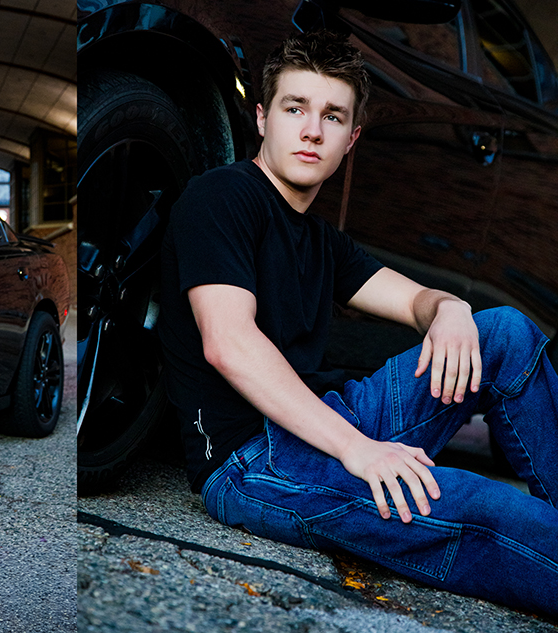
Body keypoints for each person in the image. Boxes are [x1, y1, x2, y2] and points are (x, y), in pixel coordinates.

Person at [159, 30, 558, 616]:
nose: (313, 130)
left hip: (329, 421)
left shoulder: (325, 242)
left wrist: (449, 309)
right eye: (296, 109)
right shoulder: (220, 198)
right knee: (493, 511)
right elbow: (229, 343)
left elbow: (418, 299)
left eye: (333, 116)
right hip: (253, 463)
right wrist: (359, 450)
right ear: (263, 117)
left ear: (352, 139)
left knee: (504, 331)